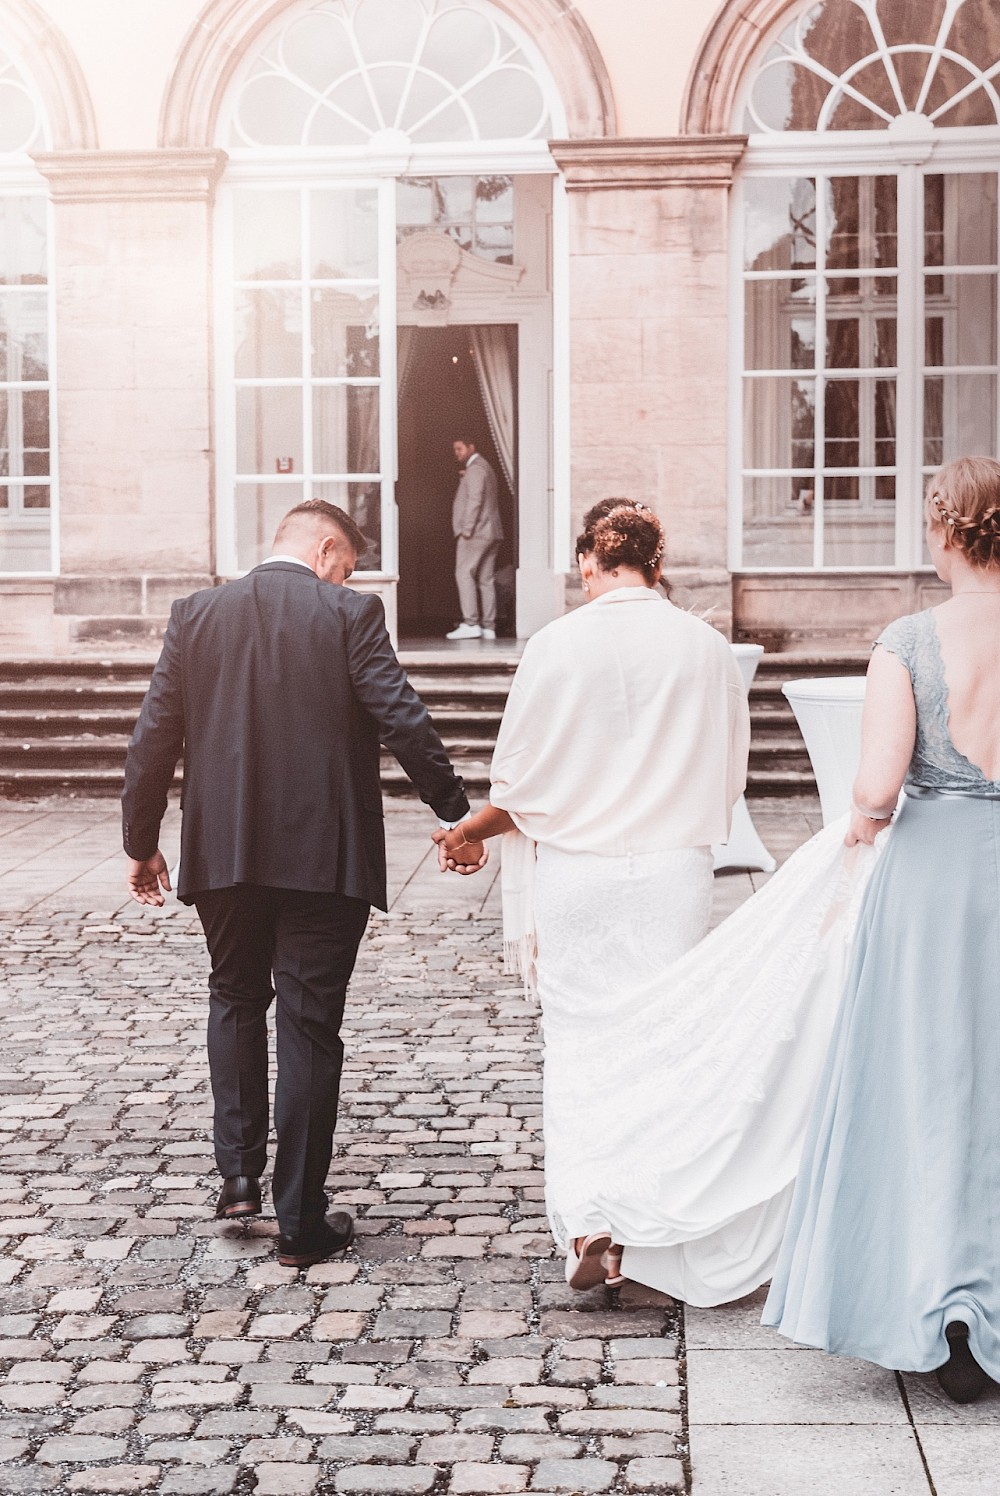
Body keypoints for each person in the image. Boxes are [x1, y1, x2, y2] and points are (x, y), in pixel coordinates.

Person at [121, 499, 469, 1269]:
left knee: (236, 998)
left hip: (226, 856)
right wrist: (454, 812)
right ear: (324, 549)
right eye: (345, 564)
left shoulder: (196, 615)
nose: (347, 578)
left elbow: (153, 738)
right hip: (324, 860)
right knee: (310, 1027)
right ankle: (301, 1224)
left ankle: (240, 1176)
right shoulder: (349, 614)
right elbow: (399, 715)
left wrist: (141, 843)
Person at [433, 500, 752, 1292]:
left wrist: (468, 830)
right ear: (655, 560)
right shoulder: (706, 648)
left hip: (579, 872)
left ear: (587, 563)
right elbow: (731, 770)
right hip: (674, 870)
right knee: (663, 1045)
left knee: (579, 1049)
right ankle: (647, 1221)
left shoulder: (558, 644)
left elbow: (523, 777)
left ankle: (590, 1227)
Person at [764, 455, 1000, 1403]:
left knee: (931, 1083)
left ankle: (941, 1312)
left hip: (936, 883)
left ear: (942, 531)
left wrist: (864, 819)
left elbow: (875, 784)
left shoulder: (909, 638)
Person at [446, 436, 503, 641]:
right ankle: (489, 626)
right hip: (491, 532)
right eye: (455, 449)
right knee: (486, 579)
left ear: (472, 446)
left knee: (463, 574)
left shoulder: (476, 469)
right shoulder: (483, 467)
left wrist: (467, 529)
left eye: (460, 448)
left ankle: (471, 623)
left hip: (477, 532)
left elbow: (475, 499)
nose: (457, 453)